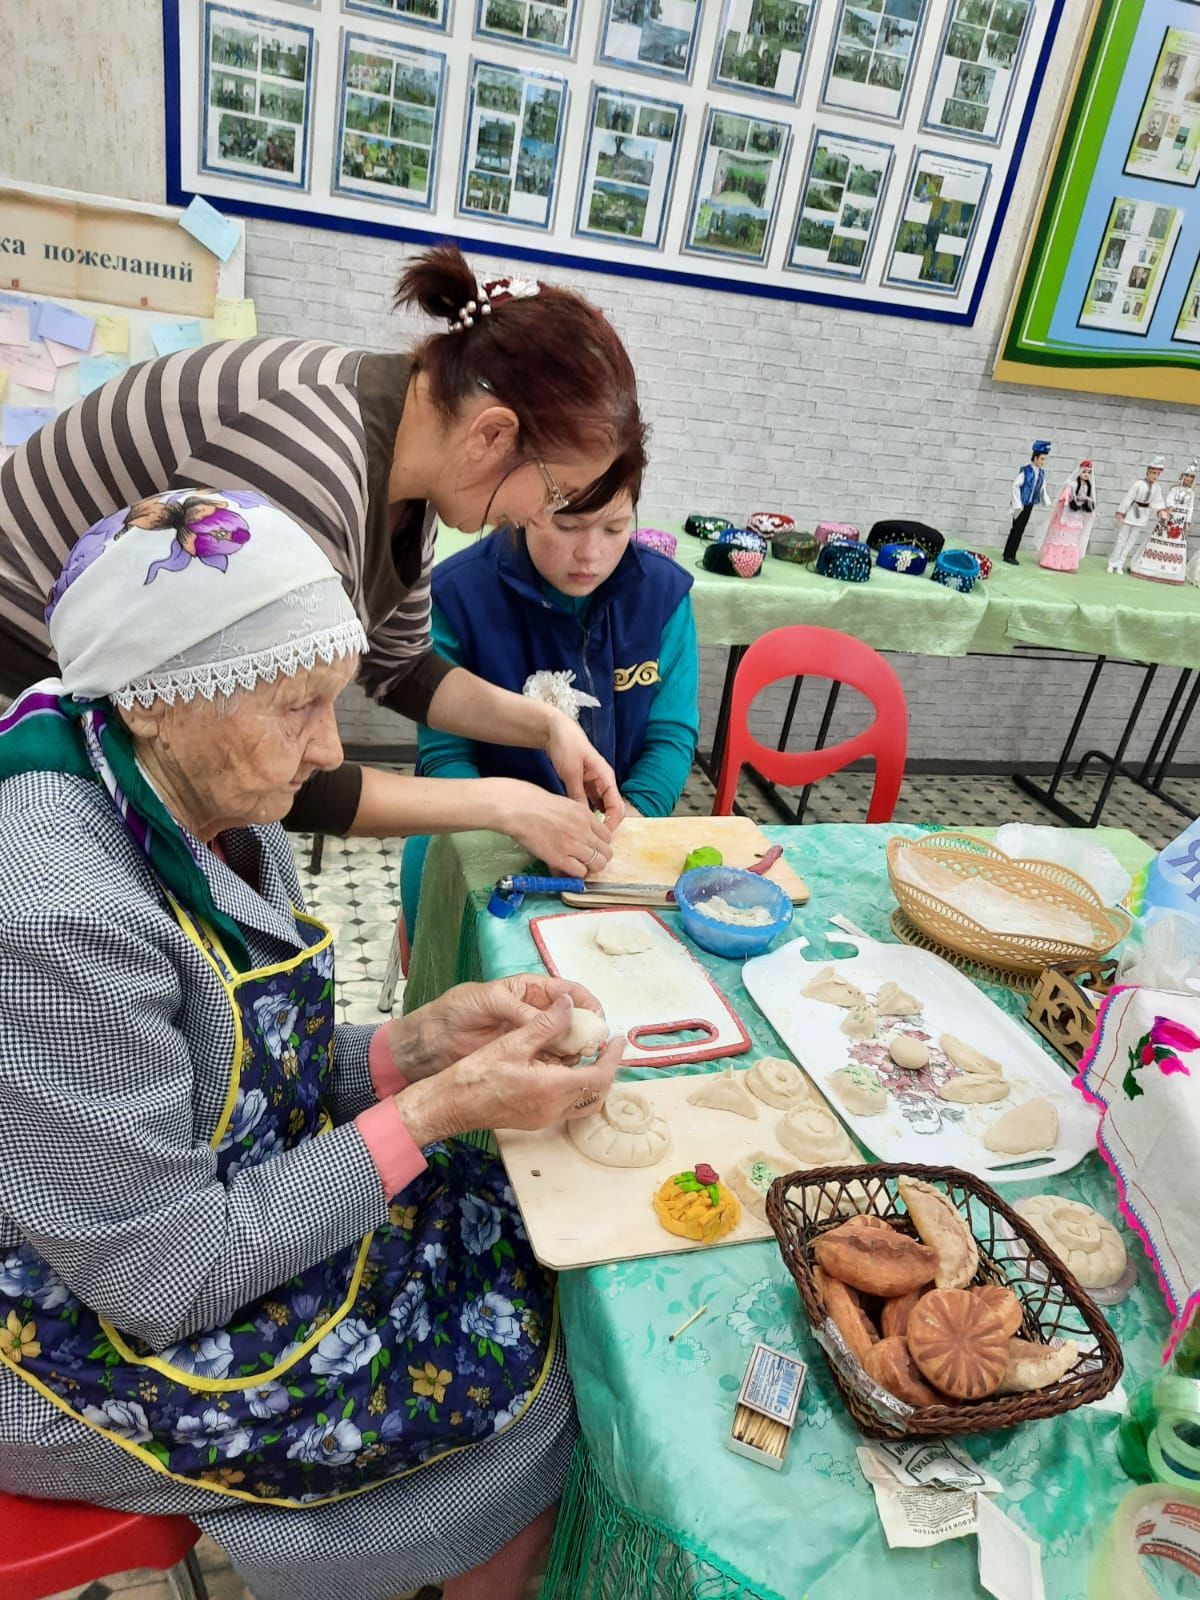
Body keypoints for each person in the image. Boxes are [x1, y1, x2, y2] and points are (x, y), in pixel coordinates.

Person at [0, 492, 623, 1600]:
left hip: (187, 1229)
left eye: (330, 702)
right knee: (533, 1407)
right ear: (156, 701)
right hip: (86, 1322)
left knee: (520, 1240)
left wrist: (415, 1047)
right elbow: (164, 1275)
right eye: (296, 707)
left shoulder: (202, 795)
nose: (330, 750)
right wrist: (431, 1111)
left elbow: (234, 1071)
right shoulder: (55, 914)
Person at [0, 244, 646, 882]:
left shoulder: (415, 459)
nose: (543, 518)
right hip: (23, 654)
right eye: (556, 493)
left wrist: (545, 726)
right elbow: (265, 764)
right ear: (493, 435)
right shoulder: (307, 465)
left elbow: (403, 670)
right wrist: (506, 804)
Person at [400, 490, 700, 944]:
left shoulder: (661, 595)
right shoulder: (457, 596)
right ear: (523, 509)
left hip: (611, 844)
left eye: (615, 528)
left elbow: (671, 736)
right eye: (567, 526)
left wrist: (618, 828)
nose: (591, 553)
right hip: (480, 831)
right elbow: (445, 757)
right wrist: (519, 827)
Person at [1131, 460, 1194, 584]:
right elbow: (1169, 498)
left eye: (1191, 477)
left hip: (1181, 520)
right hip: (1171, 516)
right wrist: (1170, 507)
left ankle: (1171, 574)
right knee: (1160, 538)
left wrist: (1188, 522)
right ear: (1182, 476)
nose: (1188, 478)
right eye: (1186, 475)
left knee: (1176, 545)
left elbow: (1190, 507)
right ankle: (1149, 567)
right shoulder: (1175, 488)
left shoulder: (1191, 493)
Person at [1110, 453, 1167, 574]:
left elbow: (1158, 501)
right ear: (1147, 472)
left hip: (1143, 515)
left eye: (1157, 474)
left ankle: (1120, 563)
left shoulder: (1157, 488)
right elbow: (1128, 498)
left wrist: (1161, 511)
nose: (1155, 476)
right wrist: (1122, 512)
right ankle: (1112, 562)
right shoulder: (1138, 484)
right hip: (1132, 512)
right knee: (1122, 538)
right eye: (1153, 473)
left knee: (1131, 541)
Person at [1039, 458, 1097, 573]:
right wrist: (1066, 502)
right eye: (1084, 472)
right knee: (1060, 538)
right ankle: (1051, 561)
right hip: (1066, 515)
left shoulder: (1087, 488)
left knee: (1071, 540)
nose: (1086, 475)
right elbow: (1063, 498)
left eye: (1089, 472)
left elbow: (1089, 502)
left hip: (1077, 517)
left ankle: (1066, 563)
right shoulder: (1072, 485)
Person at [1004, 439, 1051, 564]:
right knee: (1016, 529)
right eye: (1041, 459)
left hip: (1029, 505)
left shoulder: (1041, 473)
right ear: (1035, 458)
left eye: (1044, 459)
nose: (1043, 462)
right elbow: (1015, 485)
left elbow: (1042, 487)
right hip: (1021, 505)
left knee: (1021, 530)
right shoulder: (1026, 471)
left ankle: (1010, 553)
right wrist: (1017, 503)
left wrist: (1046, 500)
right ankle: (1009, 554)